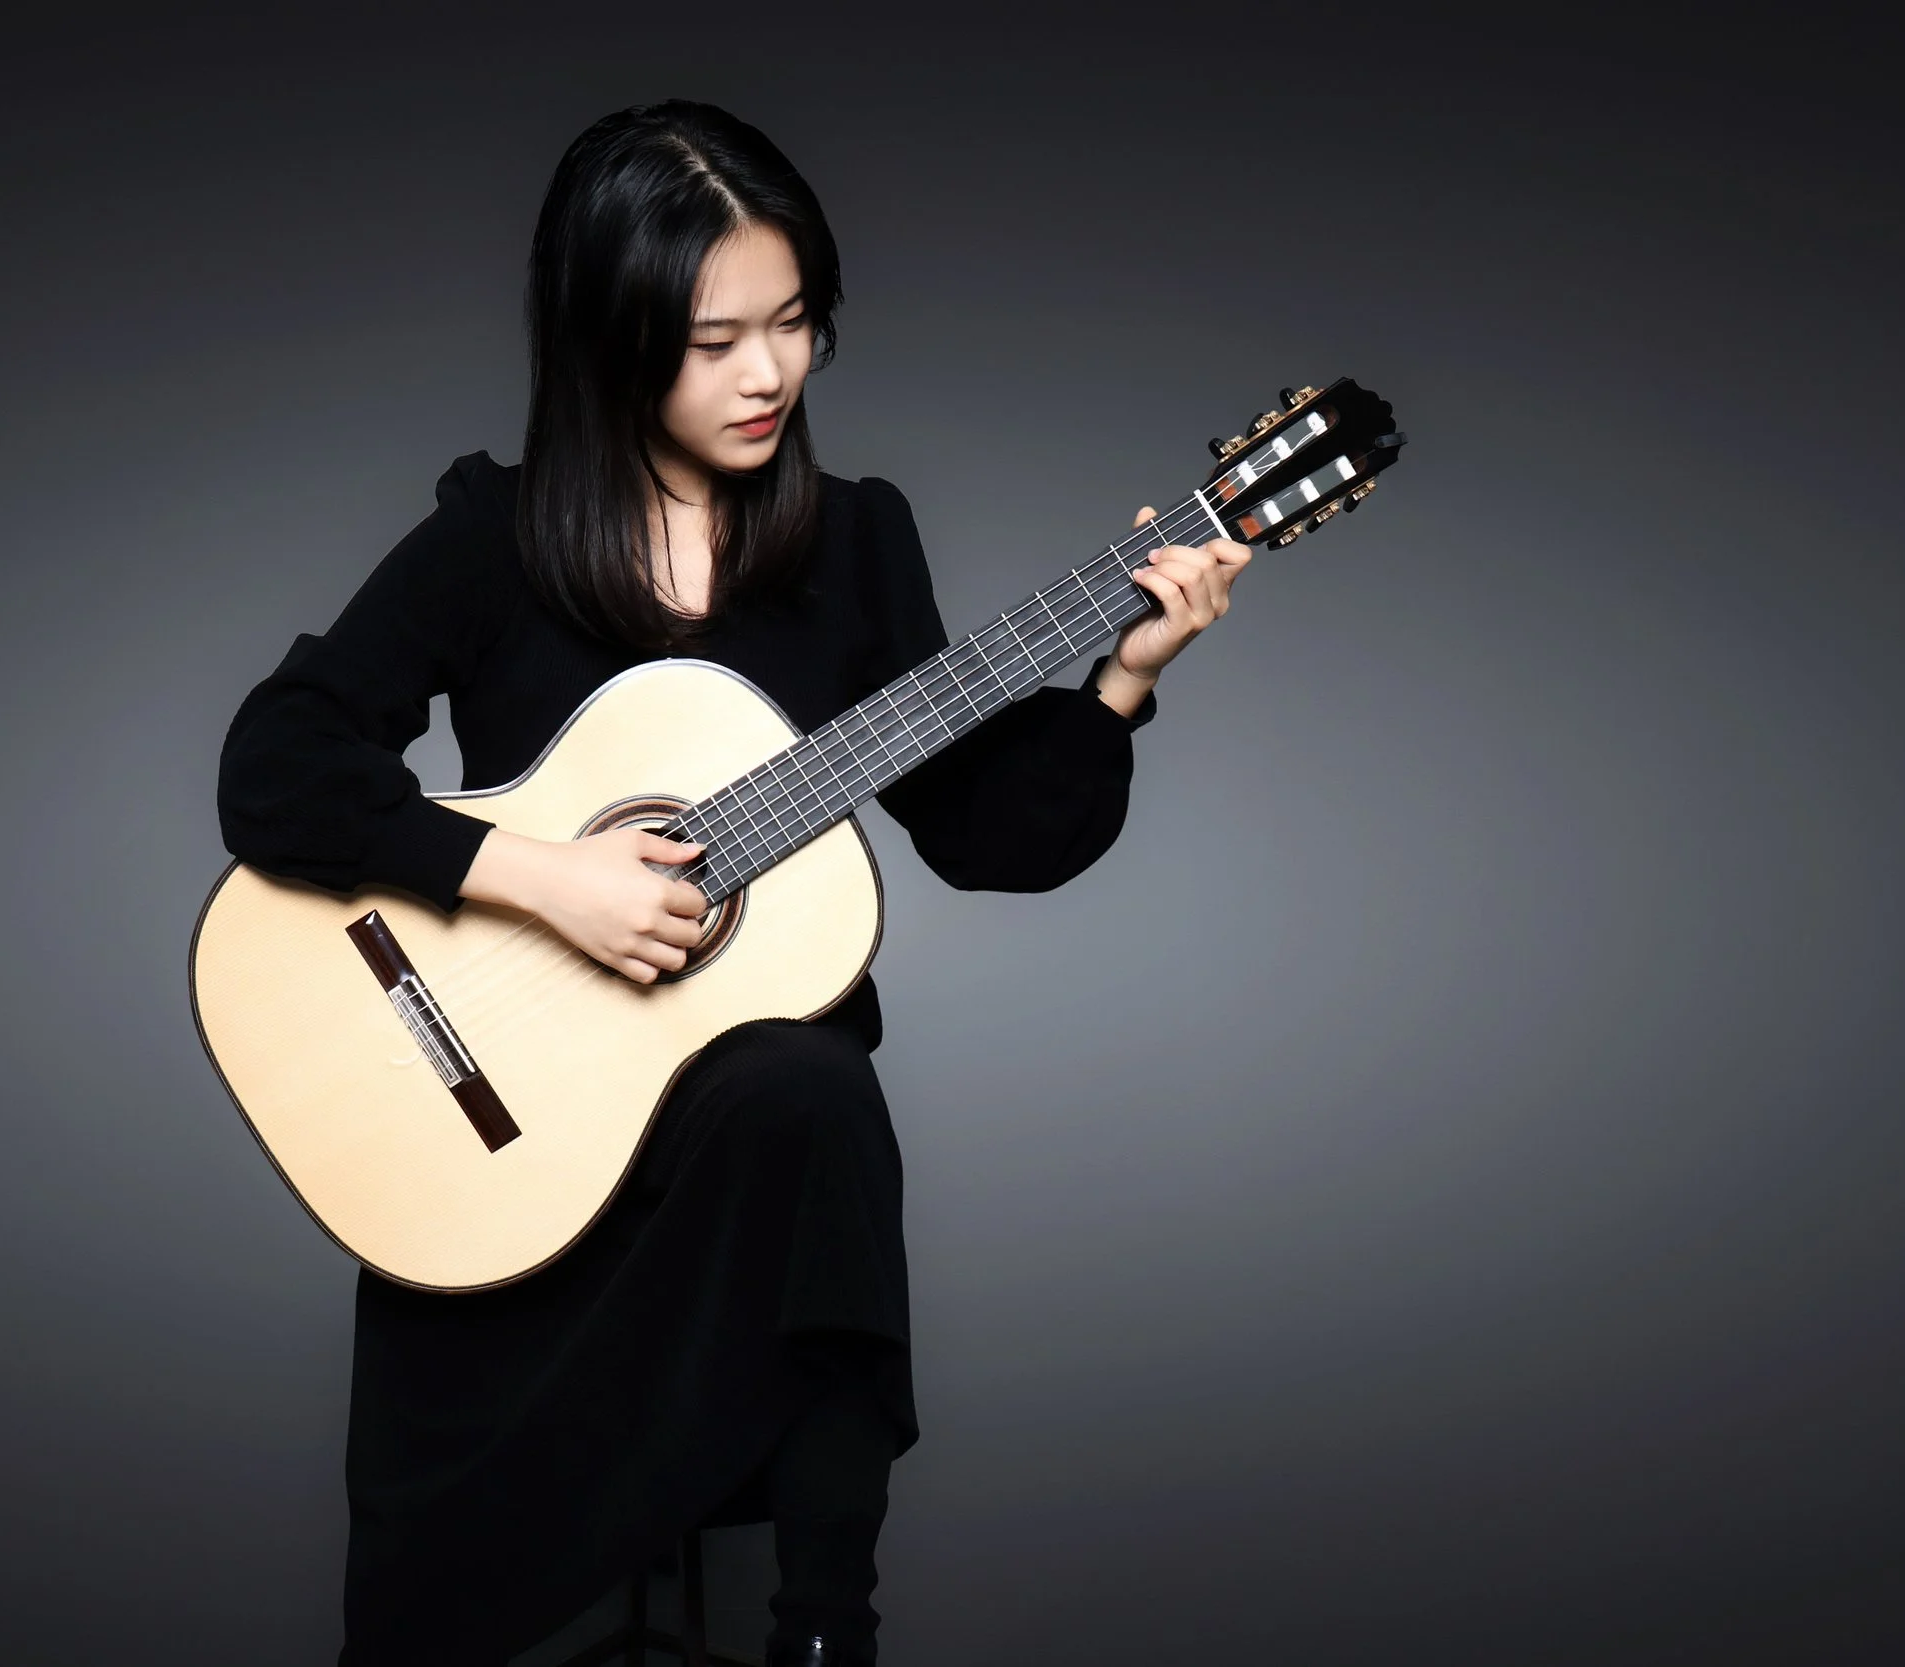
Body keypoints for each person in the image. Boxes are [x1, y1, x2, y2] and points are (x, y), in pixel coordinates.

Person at [215, 99, 1249, 1667]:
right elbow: (275, 765)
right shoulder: (493, 538)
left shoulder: (856, 542)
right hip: (511, 1118)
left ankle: (826, 1633)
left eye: (793, 323)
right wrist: (536, 877)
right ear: (608, 338)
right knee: (788, 1110)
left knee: (810, 1091)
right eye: (713, 340)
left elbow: (985, 835)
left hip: (753, 1151)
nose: (768, 373)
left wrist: (1118, 683)